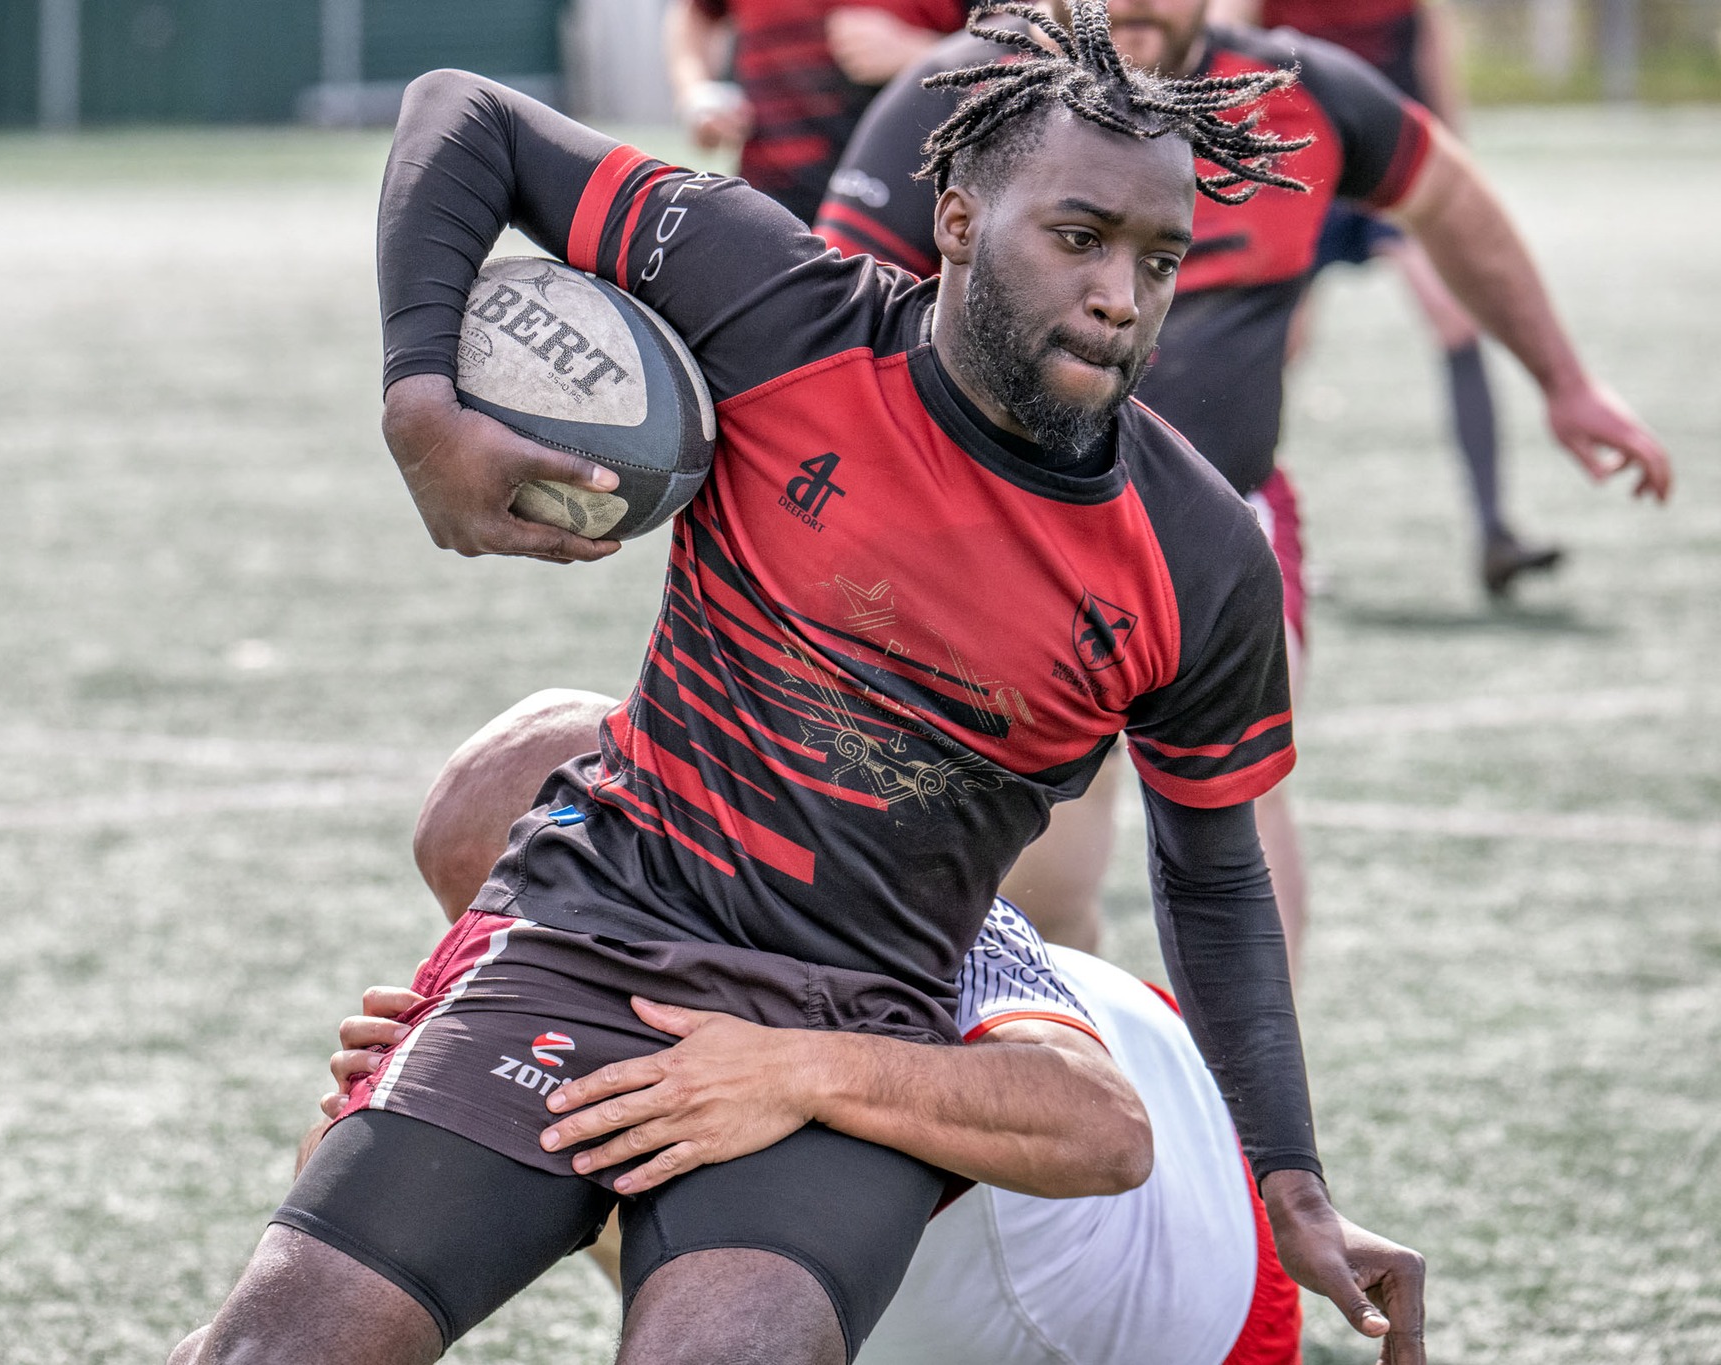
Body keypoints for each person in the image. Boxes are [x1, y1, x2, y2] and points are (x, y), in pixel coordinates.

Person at [173, 6, 1423, 1361]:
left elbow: (1214, 873)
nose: (1124, 295)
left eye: (1159, 256)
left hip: (853, 1022)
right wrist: (421, 398)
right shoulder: (781, 308)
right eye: (1080, 237)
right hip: (590, 942)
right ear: (955, 221)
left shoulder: (1198, 551)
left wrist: (1290, 1181)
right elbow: (463, 115)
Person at [814, 0, 1673, 961]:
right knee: (1037, 888)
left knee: (1238, 821)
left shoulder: (1302, 96)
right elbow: (833, 312)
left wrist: (1566, 383)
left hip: (1228, 533)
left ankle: (1243, 1109)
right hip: (1007, 534)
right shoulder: (957, 94)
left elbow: (1448, 201)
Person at [300, 688, 1312, 1365]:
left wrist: (798, 1071)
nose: (513, 942)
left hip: (1185, 1268)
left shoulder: (873, 890)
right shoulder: (580, 948)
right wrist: (411, 1107)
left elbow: (1101, 1129)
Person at [1214, 0, 1563, 597]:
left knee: (1455, 317)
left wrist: (1456, 161)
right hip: (1299, 157)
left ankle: (1494, 532)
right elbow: (1228, 36)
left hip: (1389, 158)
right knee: (1277, 340)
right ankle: (1232, 523)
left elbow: (1431, 38)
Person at [664, 0, 979, 222]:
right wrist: (696, 93)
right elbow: (696, 14)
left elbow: (1019, 46)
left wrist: (920, 53)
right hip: (771, 206)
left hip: (911, 215)